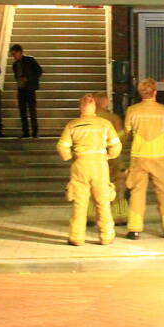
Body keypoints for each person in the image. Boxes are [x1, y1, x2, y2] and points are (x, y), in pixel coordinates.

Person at [57, 94, 122, 246]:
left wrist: (70, 156)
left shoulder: (72, 125)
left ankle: (76, 237)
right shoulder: (104, 123)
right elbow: (116, 145)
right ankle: (106, 236)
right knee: (103, 202)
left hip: (80, 165)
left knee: (80, 203)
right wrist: (109, 155)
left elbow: (62, 146)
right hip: (99, 165)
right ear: (94, 107)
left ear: (81, 108)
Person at [124, 78, 164, 239]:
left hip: (138, 156)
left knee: (137, 192)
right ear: (155, 92)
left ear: (140, 92)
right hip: (159, 156)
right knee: (163, 191)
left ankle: (134, 229)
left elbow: (128, 131)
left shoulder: (132, 110)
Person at [93, 91, 128, 225]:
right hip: (112, 158)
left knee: (93, 188)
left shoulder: (84, 120)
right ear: (104, 101)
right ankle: (119, 216)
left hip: (92, 158)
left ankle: (90, 216)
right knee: (118, 186)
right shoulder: (113, 119)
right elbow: (120, 139)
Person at [10, 44, 42, 138]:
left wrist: (28, 78)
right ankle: (25, 131)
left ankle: (34, 130)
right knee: (22, 110)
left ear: (20, 52)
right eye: (12, 54)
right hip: (21, 89)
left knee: (32, 110)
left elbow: (39, 71)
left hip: (30, 88)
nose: (14, 56)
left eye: (15, 54)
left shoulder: (30, 60)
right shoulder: (15, 65)